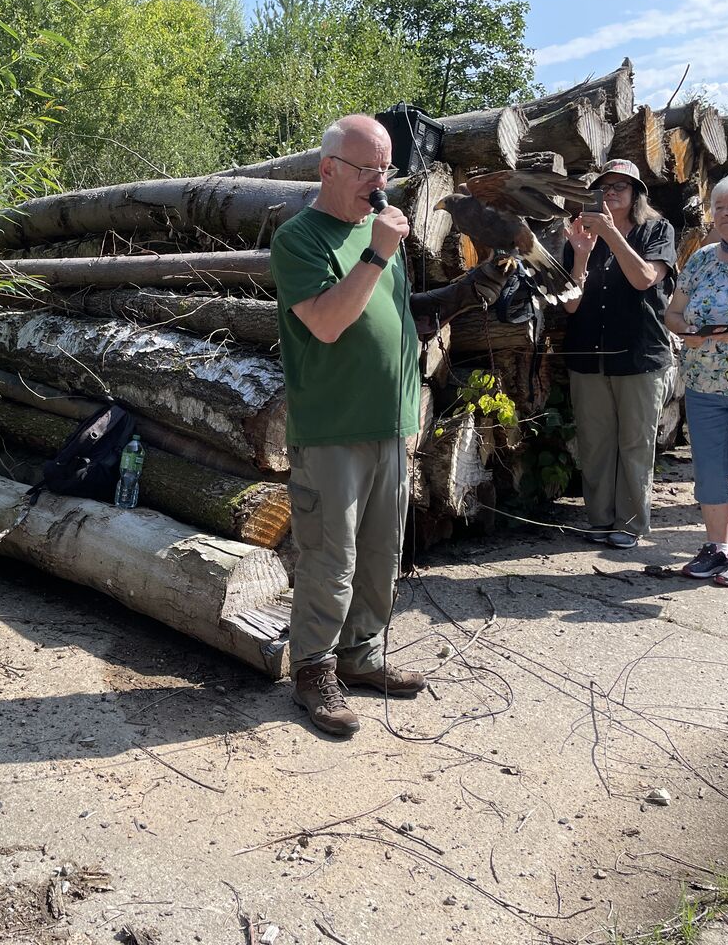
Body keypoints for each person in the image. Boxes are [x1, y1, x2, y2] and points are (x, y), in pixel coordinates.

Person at [270, 115, 504, 737]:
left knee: (381, 551)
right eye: (368, 170)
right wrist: (377, 251)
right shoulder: (301, 237)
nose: (381, 184)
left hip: (390, 423)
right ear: (327, 169)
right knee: (331, 554)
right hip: (331, 428)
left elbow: (400, 316)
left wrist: (467, 290)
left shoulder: (384, 240)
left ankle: (362, 654)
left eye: (386, 170)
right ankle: (314, 669)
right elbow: (326, 322)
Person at [561, 158, 677, 551]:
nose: (610, 194)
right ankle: (598, 519)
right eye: (604, 187)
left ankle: (629, 523)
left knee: (635, 443)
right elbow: (570, 305)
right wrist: (579, 254)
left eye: (620, 187)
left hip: (640, 355)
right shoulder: (581, 233)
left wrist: (611, 235)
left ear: (636, 194)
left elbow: (644, 278)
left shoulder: (657, 229)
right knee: (595, 442)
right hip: (588, 355)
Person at [663, 169, 728, 586]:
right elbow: (673, 311)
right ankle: (715, 547)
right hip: (703, 385)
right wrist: (684, 334)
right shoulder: (703, 259)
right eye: (718, 206)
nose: (723, 214)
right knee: (707, 469)